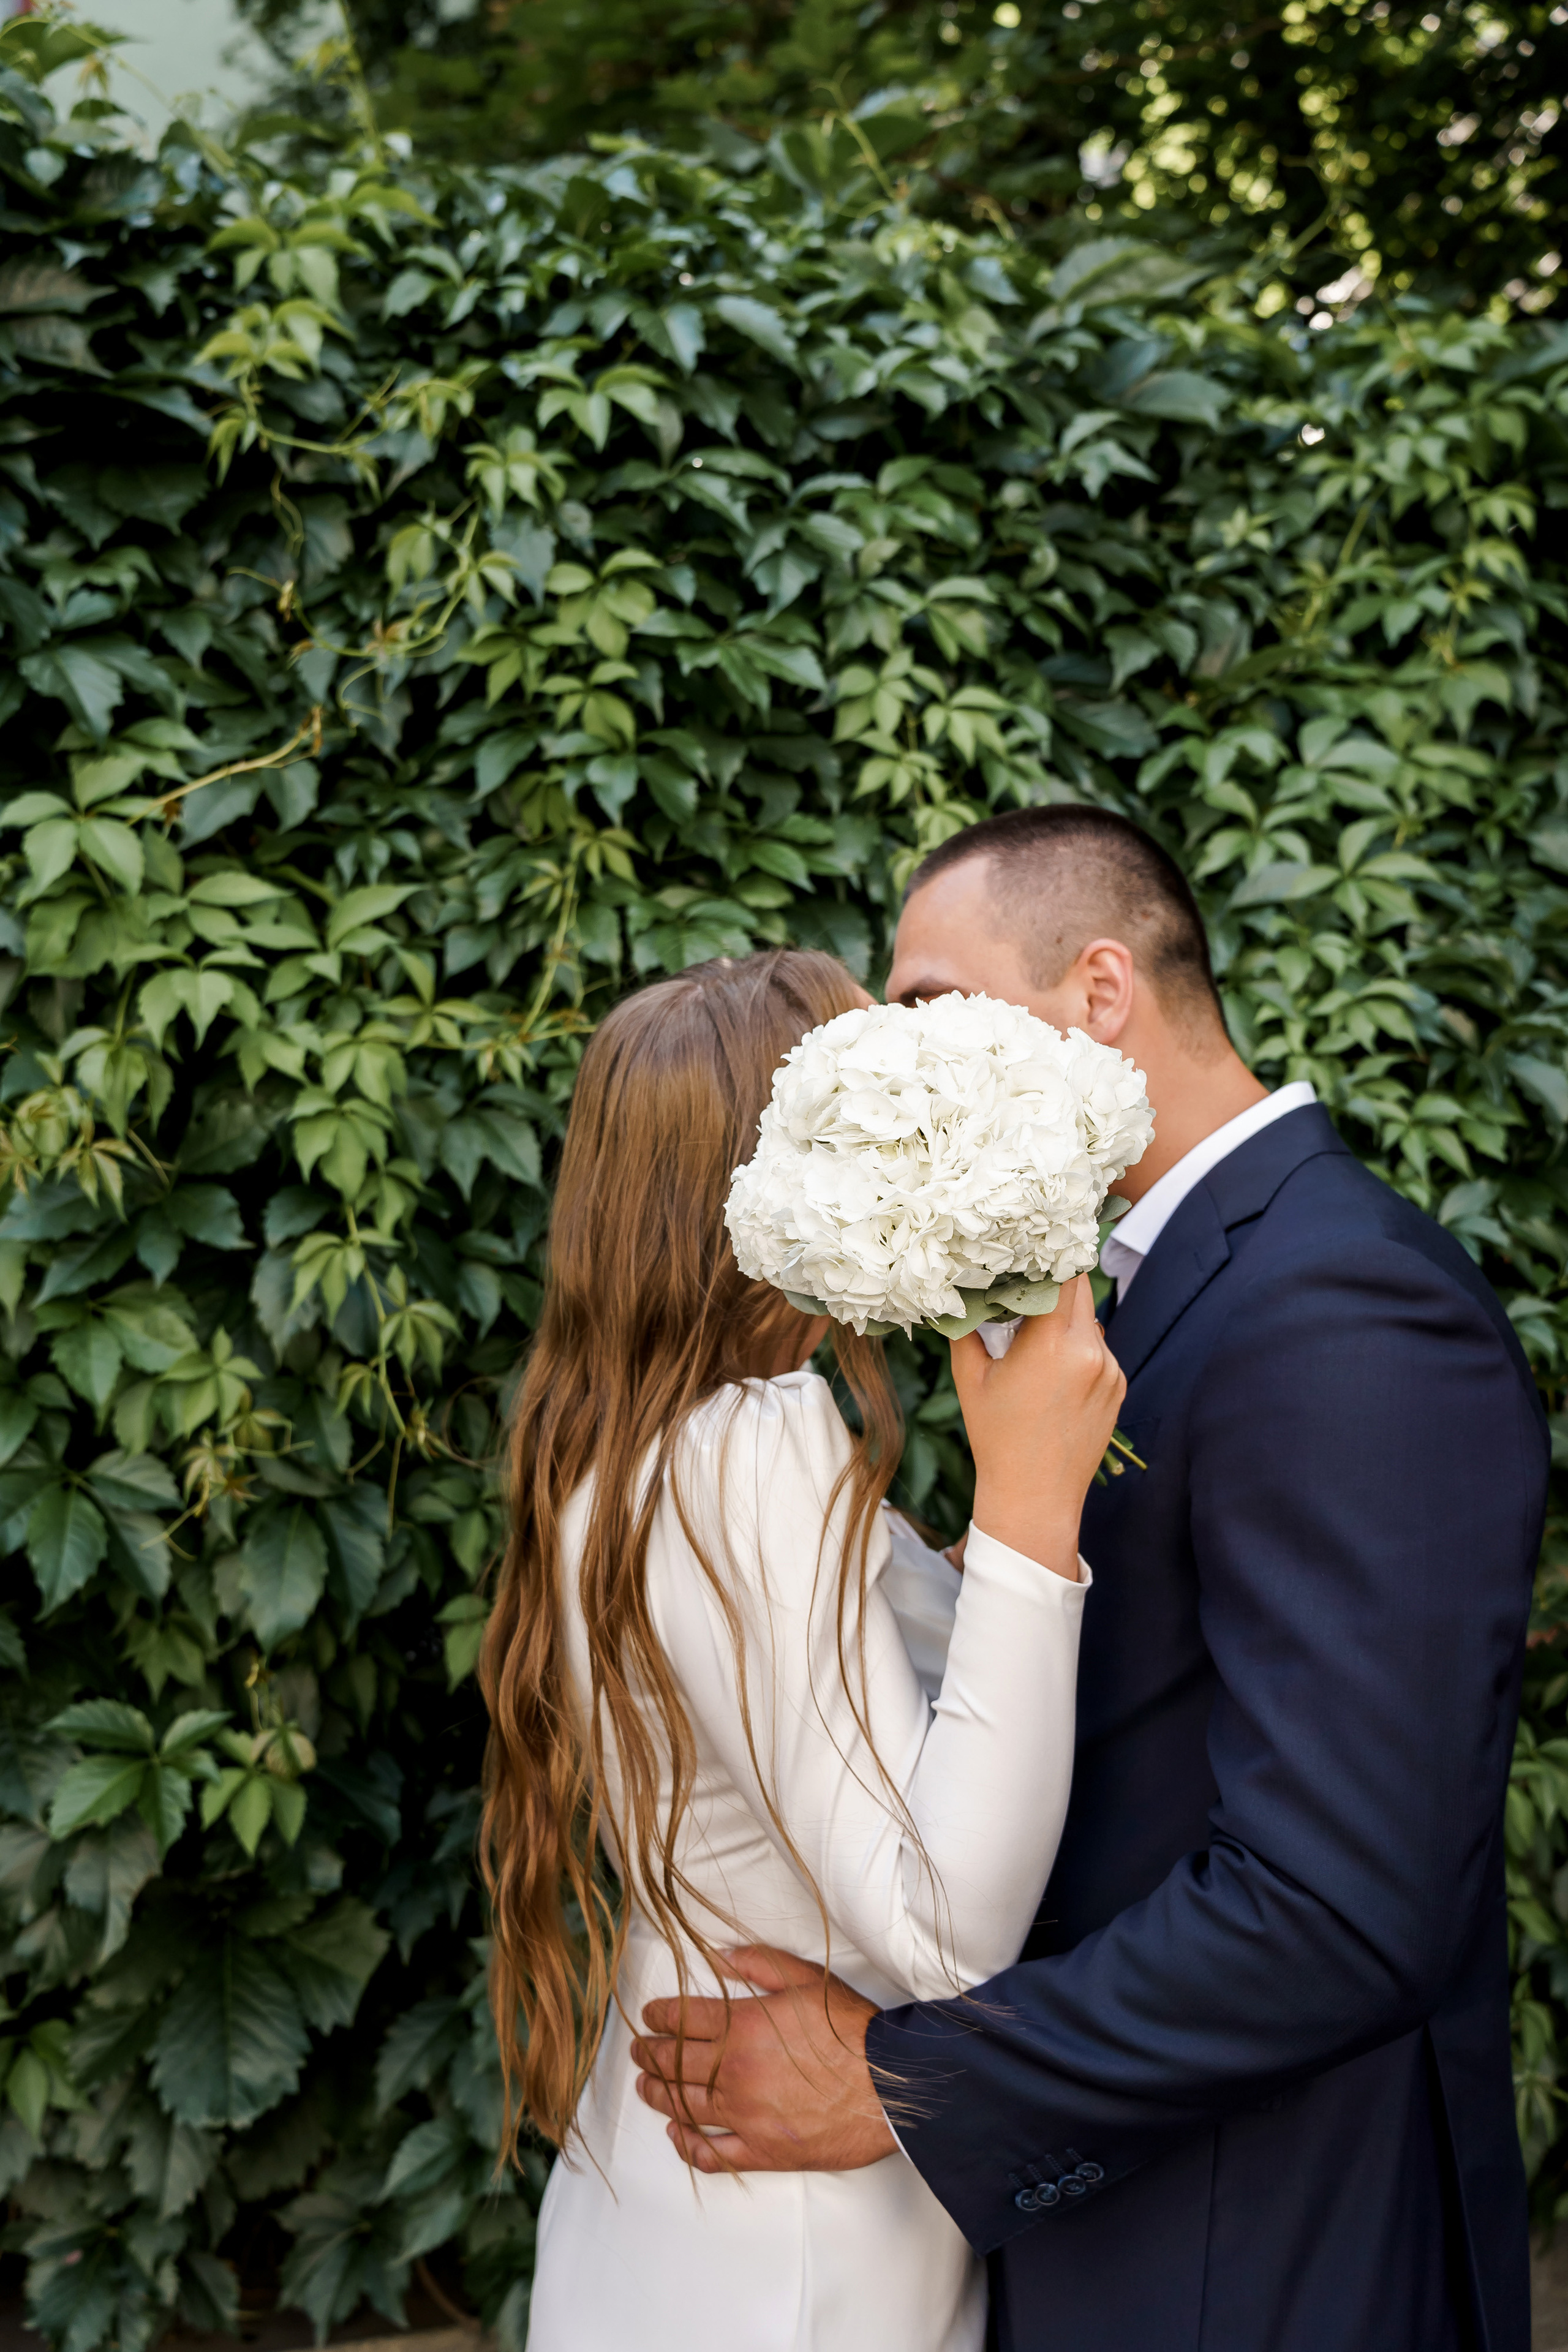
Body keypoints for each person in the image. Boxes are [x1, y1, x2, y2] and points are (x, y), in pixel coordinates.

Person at [631, 807, 1548, 2352]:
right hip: (1136, 2222)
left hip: (1262, 2252)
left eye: (926, 1010)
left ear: (1099, 996)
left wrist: (908, 2080)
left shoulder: (1346, 1309)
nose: (891, 1063)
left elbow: (1340, 1904)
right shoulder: (1144, 1292)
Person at [478, 944, 1127, 2352]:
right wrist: (1026, 1513)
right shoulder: (751, 1447)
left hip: (686, 2181)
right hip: (795, 2234)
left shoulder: (616, 1448)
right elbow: (945, 1931)